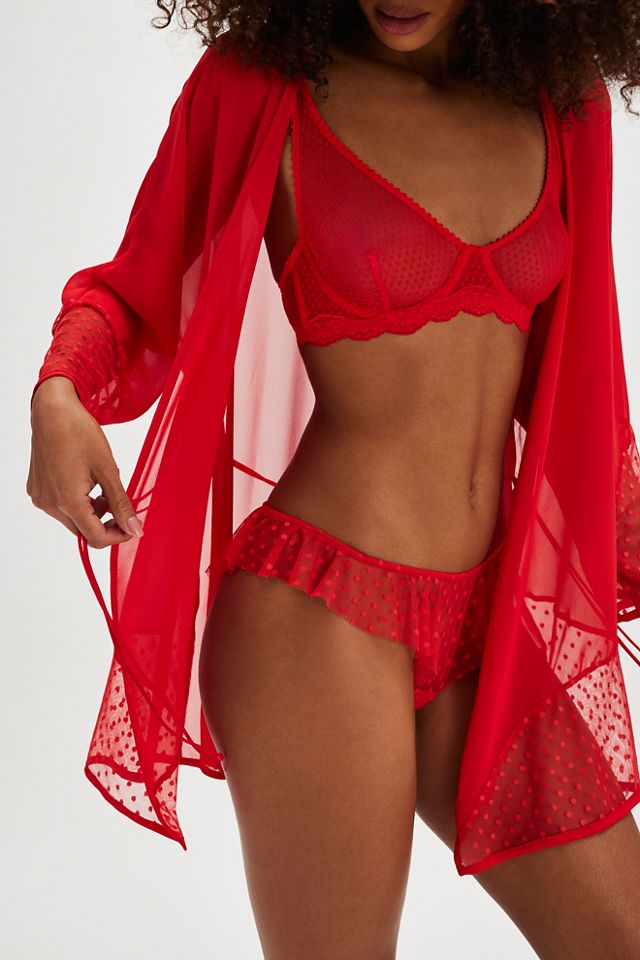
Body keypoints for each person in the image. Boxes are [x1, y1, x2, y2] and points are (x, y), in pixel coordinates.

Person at [27, 2, 640, 957]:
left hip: (483, 623)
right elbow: (133, 291)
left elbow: (579, 385)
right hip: (319, 616)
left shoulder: (563, 107)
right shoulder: (261, 88)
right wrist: (60, 393)